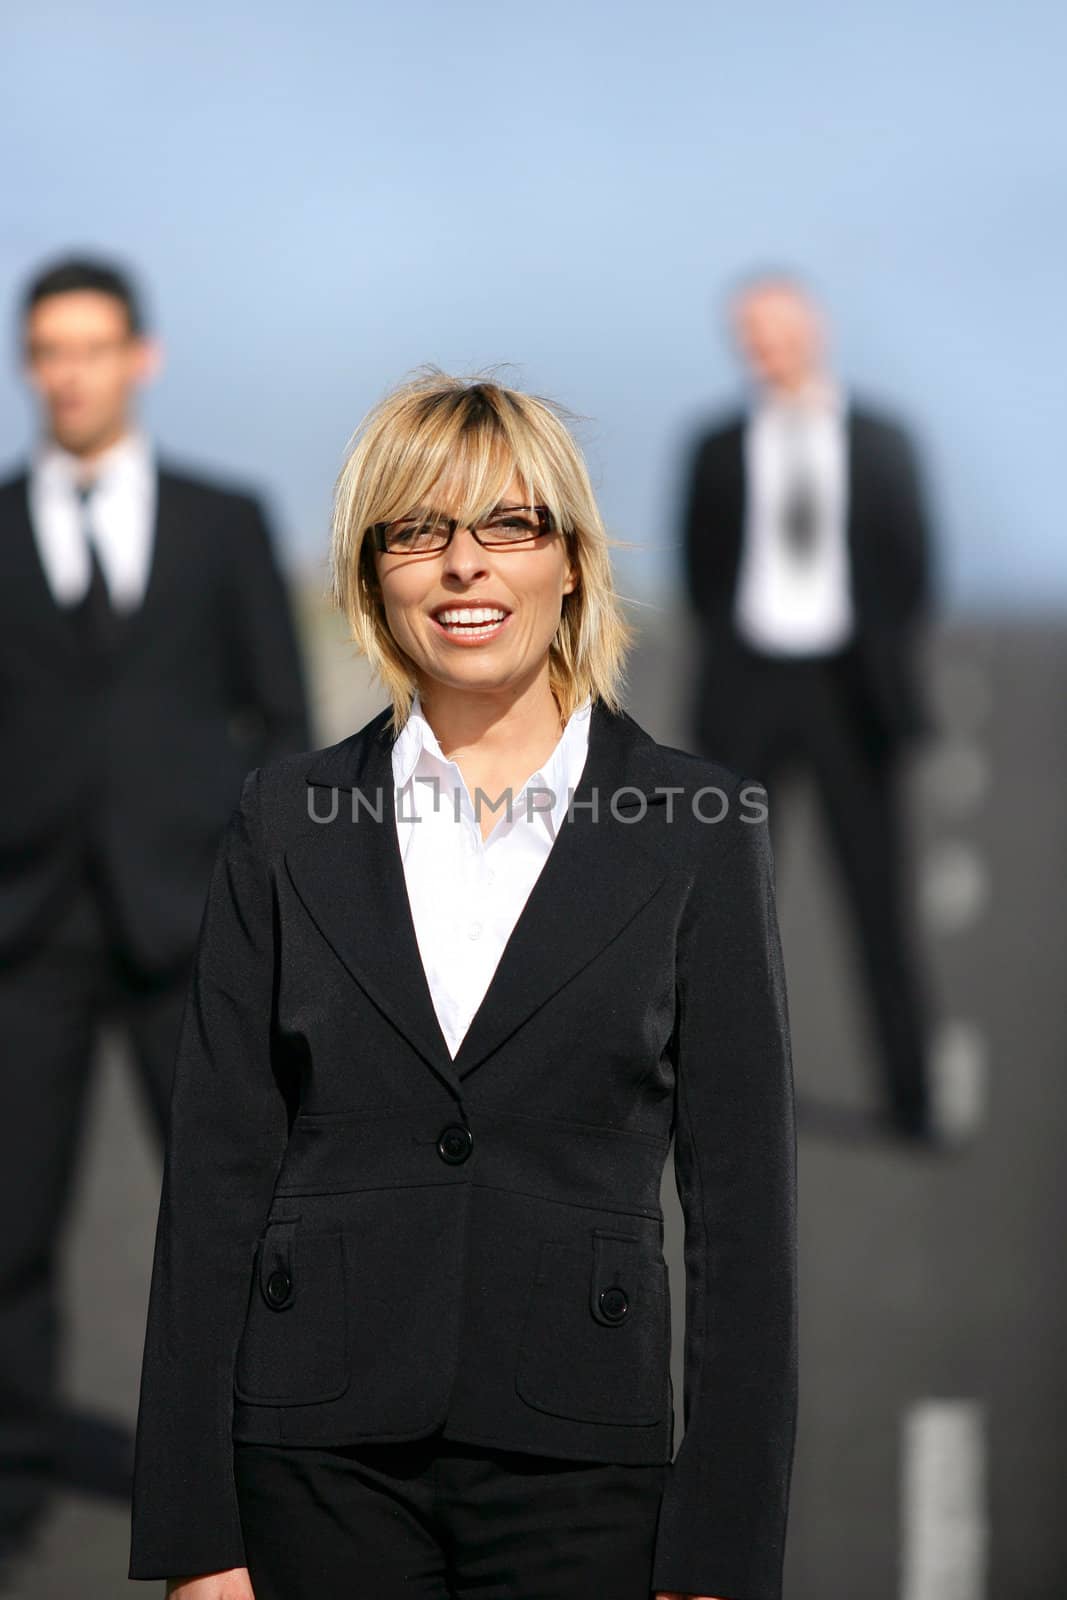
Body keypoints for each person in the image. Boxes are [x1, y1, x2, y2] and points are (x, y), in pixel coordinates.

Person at [128, 371, 798, 1600]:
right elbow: (215, 1177)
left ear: (573, 562)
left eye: (507, 525)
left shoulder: (697, 823)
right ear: (373, 575)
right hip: (313, 1453)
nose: (463, 566)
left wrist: (720, 1547)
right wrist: (192, 1534)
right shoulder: (286, 818)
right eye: (418, 532)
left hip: (584, 1465)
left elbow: (743, 1211)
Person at [0, 255, 311, 1566]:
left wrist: (273, 901)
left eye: (90, 347)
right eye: (44, 352)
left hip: (191, 928)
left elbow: (283, 724)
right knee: (9, 1225)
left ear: (142, 357)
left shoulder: (222, 520)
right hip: (20, 935)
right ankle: (13, 1477)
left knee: (236, 1215)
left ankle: (253, 1476)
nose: (67, 374)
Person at [681, 268, 938, 1141]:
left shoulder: (878, 439)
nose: (766, 349)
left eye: (778, 329)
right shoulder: (716, 445)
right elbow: (700, 568)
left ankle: (912, 1097)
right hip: (749, 685)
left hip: (847, 689)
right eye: (750, 334)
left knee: (876, 899)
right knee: (728, 903)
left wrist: (879, 658)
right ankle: (713, 1097)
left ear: (814, 329)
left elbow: (909, 560)